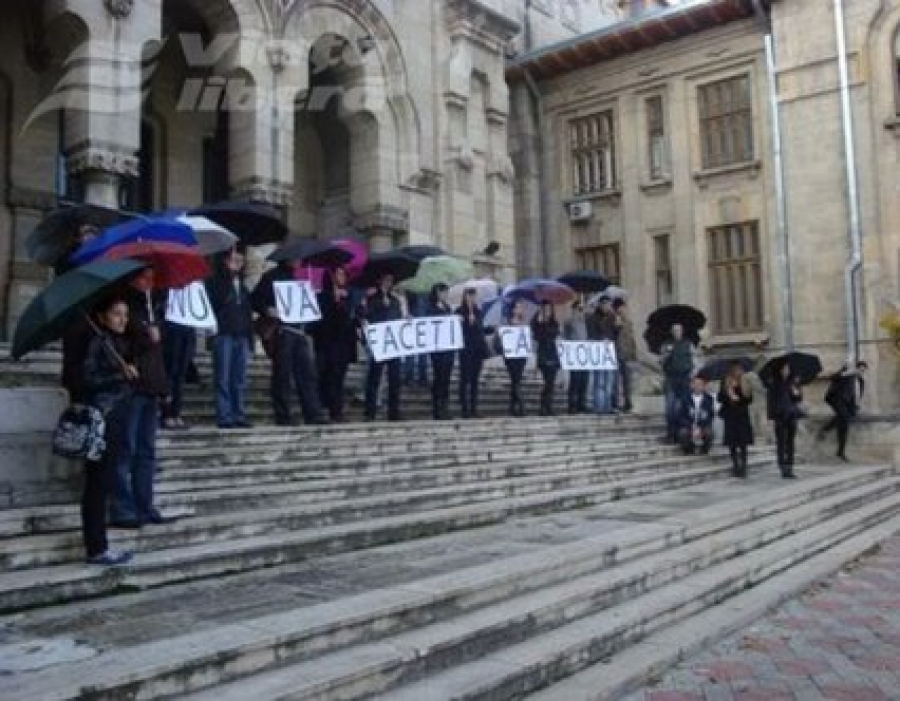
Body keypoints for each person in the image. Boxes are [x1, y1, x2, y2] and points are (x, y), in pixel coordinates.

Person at [112, 268, 171, 528]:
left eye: (152, 276)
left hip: (151, 386)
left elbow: (157, 353)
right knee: (126, 449)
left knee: (146, 452)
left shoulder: (153, 305)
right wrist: (147, 338)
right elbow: (122, 345)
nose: (150, 281)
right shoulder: (125, 306)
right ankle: (123, 508)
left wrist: (163, 387)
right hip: (132, 387)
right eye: (145, 276)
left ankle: (144, 505)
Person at [81, 296, 136, 565]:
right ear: (103, 317)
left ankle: (99, 545)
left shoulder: (116, 344)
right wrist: (120, 375)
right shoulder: (98, 342)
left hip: (117, 416)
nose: (122, 319)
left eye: (125, 314)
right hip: (103, 418)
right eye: (116, 314)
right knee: (98, 484)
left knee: (104, 481)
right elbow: (88, 379)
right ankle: (96, 547)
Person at [251, 260, 328, 426]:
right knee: (282, 375)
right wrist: (267, 309)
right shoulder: (271, 277)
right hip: (282, 330)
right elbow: (255, 300)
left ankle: (312, 413)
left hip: (300, 332)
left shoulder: (305, 278)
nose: (298, 261)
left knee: (307, 375)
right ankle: (283, 415)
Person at [205, 249, 254, 429]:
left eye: (240, 261)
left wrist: (250, 339)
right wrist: (228, 278)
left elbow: (248, 314)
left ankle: (238, 414)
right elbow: (215, 303)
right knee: (223, 377)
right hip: (223, 333)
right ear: (225, 261)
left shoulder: (243, 287)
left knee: (239, 379)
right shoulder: (215, 282)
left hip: (241, 335)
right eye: (234, 260)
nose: (237, 263)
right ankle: (224, 415)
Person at [314, 266, 358, 423]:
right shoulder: (321, 297)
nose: (342, 277)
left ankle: (336, 410)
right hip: (326, 344)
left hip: (343, 344)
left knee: (339, 378)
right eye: (338, 274)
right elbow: (318, 322)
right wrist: (333, 301)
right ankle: (326, 408)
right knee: (327, 377)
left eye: (343, 274)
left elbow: (352, 318)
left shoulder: (349, 296)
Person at [363, 273, 404, 421]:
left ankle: (394, 411)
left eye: (391, 281)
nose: (388, 283)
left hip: (393, 344)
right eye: (386, 280)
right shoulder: (372, 299)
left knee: (395, 379)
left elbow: (398, 318)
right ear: (380, 281)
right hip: (379, 343)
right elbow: (367, 315)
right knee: (374, 378)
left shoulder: (395, 300)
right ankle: (370, 411)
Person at [820, 361, 867, 461]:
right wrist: (846, 371)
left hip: (849, 405)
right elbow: (833, 377)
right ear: (856, 368)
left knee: (844, 425)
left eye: (863, 370)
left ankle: (840, 451)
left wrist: (857, 406)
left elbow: (858, 395)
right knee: (844, 417)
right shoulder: (848, 374)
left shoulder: (861, 381)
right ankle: (825, 429)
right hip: (838, 400)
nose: (861, 372)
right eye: (860, 369)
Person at [767, 362, 803, 479]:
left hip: (792, 416)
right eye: (784, 369)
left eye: (787, 369)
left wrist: (797, 392)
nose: (786, 371)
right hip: (780, 417)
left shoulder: (793, 382)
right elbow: (770, 401)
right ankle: (783, 467)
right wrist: (771, 417)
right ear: (780, 370)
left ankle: (790, 467)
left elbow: (798, 399)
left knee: (790, 443)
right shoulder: (774, 383)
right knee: (781, 443)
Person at [161, 312, 196, 430]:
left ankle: (176, 413)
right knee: (171, 372)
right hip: (172, 327)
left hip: (188, 326)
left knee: (180, 375)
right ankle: (167, 414)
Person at [718, 362, 754, 478]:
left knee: (743, 443)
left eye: (740, 369)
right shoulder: (725, 381)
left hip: (742, 415)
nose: (738, 371)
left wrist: (739, 394)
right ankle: (735, 465)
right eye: (736, 369)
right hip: (730, 416)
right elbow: (720, 398)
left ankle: (743, 466)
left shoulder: (745, 381)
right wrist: (728, 393)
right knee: (732, 443)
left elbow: (749, 399)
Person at [660, 324, 696, 442]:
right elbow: (661, 361)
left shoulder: (688, 344)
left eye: (679, 330)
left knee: (684, 406)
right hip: (671, 378)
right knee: (670, 408)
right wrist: (667, 354)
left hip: (685, 378)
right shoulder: (666, 344)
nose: (677, 332)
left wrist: (693, 375)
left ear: (682, 331)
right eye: (674, 330)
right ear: (671, 332)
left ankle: (683, 432)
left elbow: (695, 360)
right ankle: (671, 433)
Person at [457, 288, 488, 419]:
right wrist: (467, 323)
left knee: (475, 380)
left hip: (477, 349)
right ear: (464, 297)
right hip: (465, 349)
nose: (471, 299)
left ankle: (474, 408)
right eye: (469, 296)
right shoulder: (459, 312)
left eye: (473, 296)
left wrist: (476, 323)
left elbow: (480, 329)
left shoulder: (478, 312)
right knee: (465, 379)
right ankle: (465, 409)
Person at [586, 296, 619, 415]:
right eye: (605, 304)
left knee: (609, 382)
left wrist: (617, 327)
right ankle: (599, 407)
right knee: (599, 381)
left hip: (610, 353)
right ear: (600, 305)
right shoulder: (593, 318)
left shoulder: (612, 318)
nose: (608, 307)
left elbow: (615, 336)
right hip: (598, 354)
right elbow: (591, 335)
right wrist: (601, 339)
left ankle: (608, 406)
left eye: (609, 305)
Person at [427, 283, 455, 420]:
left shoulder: (448, 308)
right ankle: (437, 408)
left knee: (446, 378)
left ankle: (445, 406)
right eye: (444, 292)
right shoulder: (431, 308)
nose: (446, 295)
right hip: (437, 349)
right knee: (439, 377)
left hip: (448, 348)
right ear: (438, 292)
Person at [531, 300, 560, 416]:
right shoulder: (537, 321)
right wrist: (539, 323)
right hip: (543, 354)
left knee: (551, 382)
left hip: (553, 353)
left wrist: (547, 326)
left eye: (549, 309)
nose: (547, 311)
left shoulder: (553, 322)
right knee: (547, 382)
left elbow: (555, 332)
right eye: (545, 308)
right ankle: (543, 406)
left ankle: (548, 406)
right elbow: (536, 335)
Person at [504, 298, 529, 417]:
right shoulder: (510, 321)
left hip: (521, 356)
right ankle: (521, 405)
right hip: (511, 357)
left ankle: (512, 406)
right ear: (513, 309)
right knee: (515, 380)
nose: (520, 309)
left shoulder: (524, 322)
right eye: (518, 307)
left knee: (516, 380)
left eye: (521, 307)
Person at [677, 375, 715, 455]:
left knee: (709, 433)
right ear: (692, 385)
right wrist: (691, 426)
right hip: (689, 425)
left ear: (704, 386)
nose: (698, 386)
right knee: (682, 433)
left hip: (703, 425)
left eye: (700, 384)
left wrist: (700, 428)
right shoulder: (685, 398)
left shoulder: (709, 399)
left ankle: (704, 450)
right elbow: (681, 416)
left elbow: (710, 416)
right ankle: (689, 449)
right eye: (696, 384)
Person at [563, 301, 589, 414]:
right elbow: (566, 336)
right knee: (575, 381)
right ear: (574, 309)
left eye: (582, 309)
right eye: (579, 309)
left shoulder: (586, 322)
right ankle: (572, 405)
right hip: (574, 355)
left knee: (584, 381)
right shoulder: (569, 321)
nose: (581, 311)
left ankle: (581, 404)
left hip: (585, 355)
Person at [612, 299, 637, 413]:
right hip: (617, 353)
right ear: (617, 308)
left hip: (627, 354)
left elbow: (631, 338)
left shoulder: (628, 321)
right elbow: (614, 334)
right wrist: (617, 325)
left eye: (624, 307)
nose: (623, 309)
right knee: (616, 381)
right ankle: (616, 403)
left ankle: (628, 402)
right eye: (621, 307)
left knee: (627, 381)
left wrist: (633, 353)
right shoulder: (614, 320)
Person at [403, 291, 429, 388]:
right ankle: (409, 377)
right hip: (411, 322)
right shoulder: (410, 289)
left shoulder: (427, 292)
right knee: (411, 352)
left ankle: (422, 377)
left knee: (423, 353)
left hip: (424, 324)